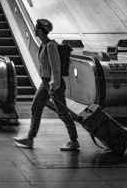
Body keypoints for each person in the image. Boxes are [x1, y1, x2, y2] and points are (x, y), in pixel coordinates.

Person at [13, 18, 80, 151]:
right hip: (45, 83)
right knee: (36, 107)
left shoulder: (50, 45)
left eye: (36, 28)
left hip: (54, 84)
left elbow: (56, 66)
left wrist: (54, 83)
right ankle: (30, 139)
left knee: (62, 113)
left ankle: (74, 141)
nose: (34, 30)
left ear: (40, 30)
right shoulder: (43, 45)